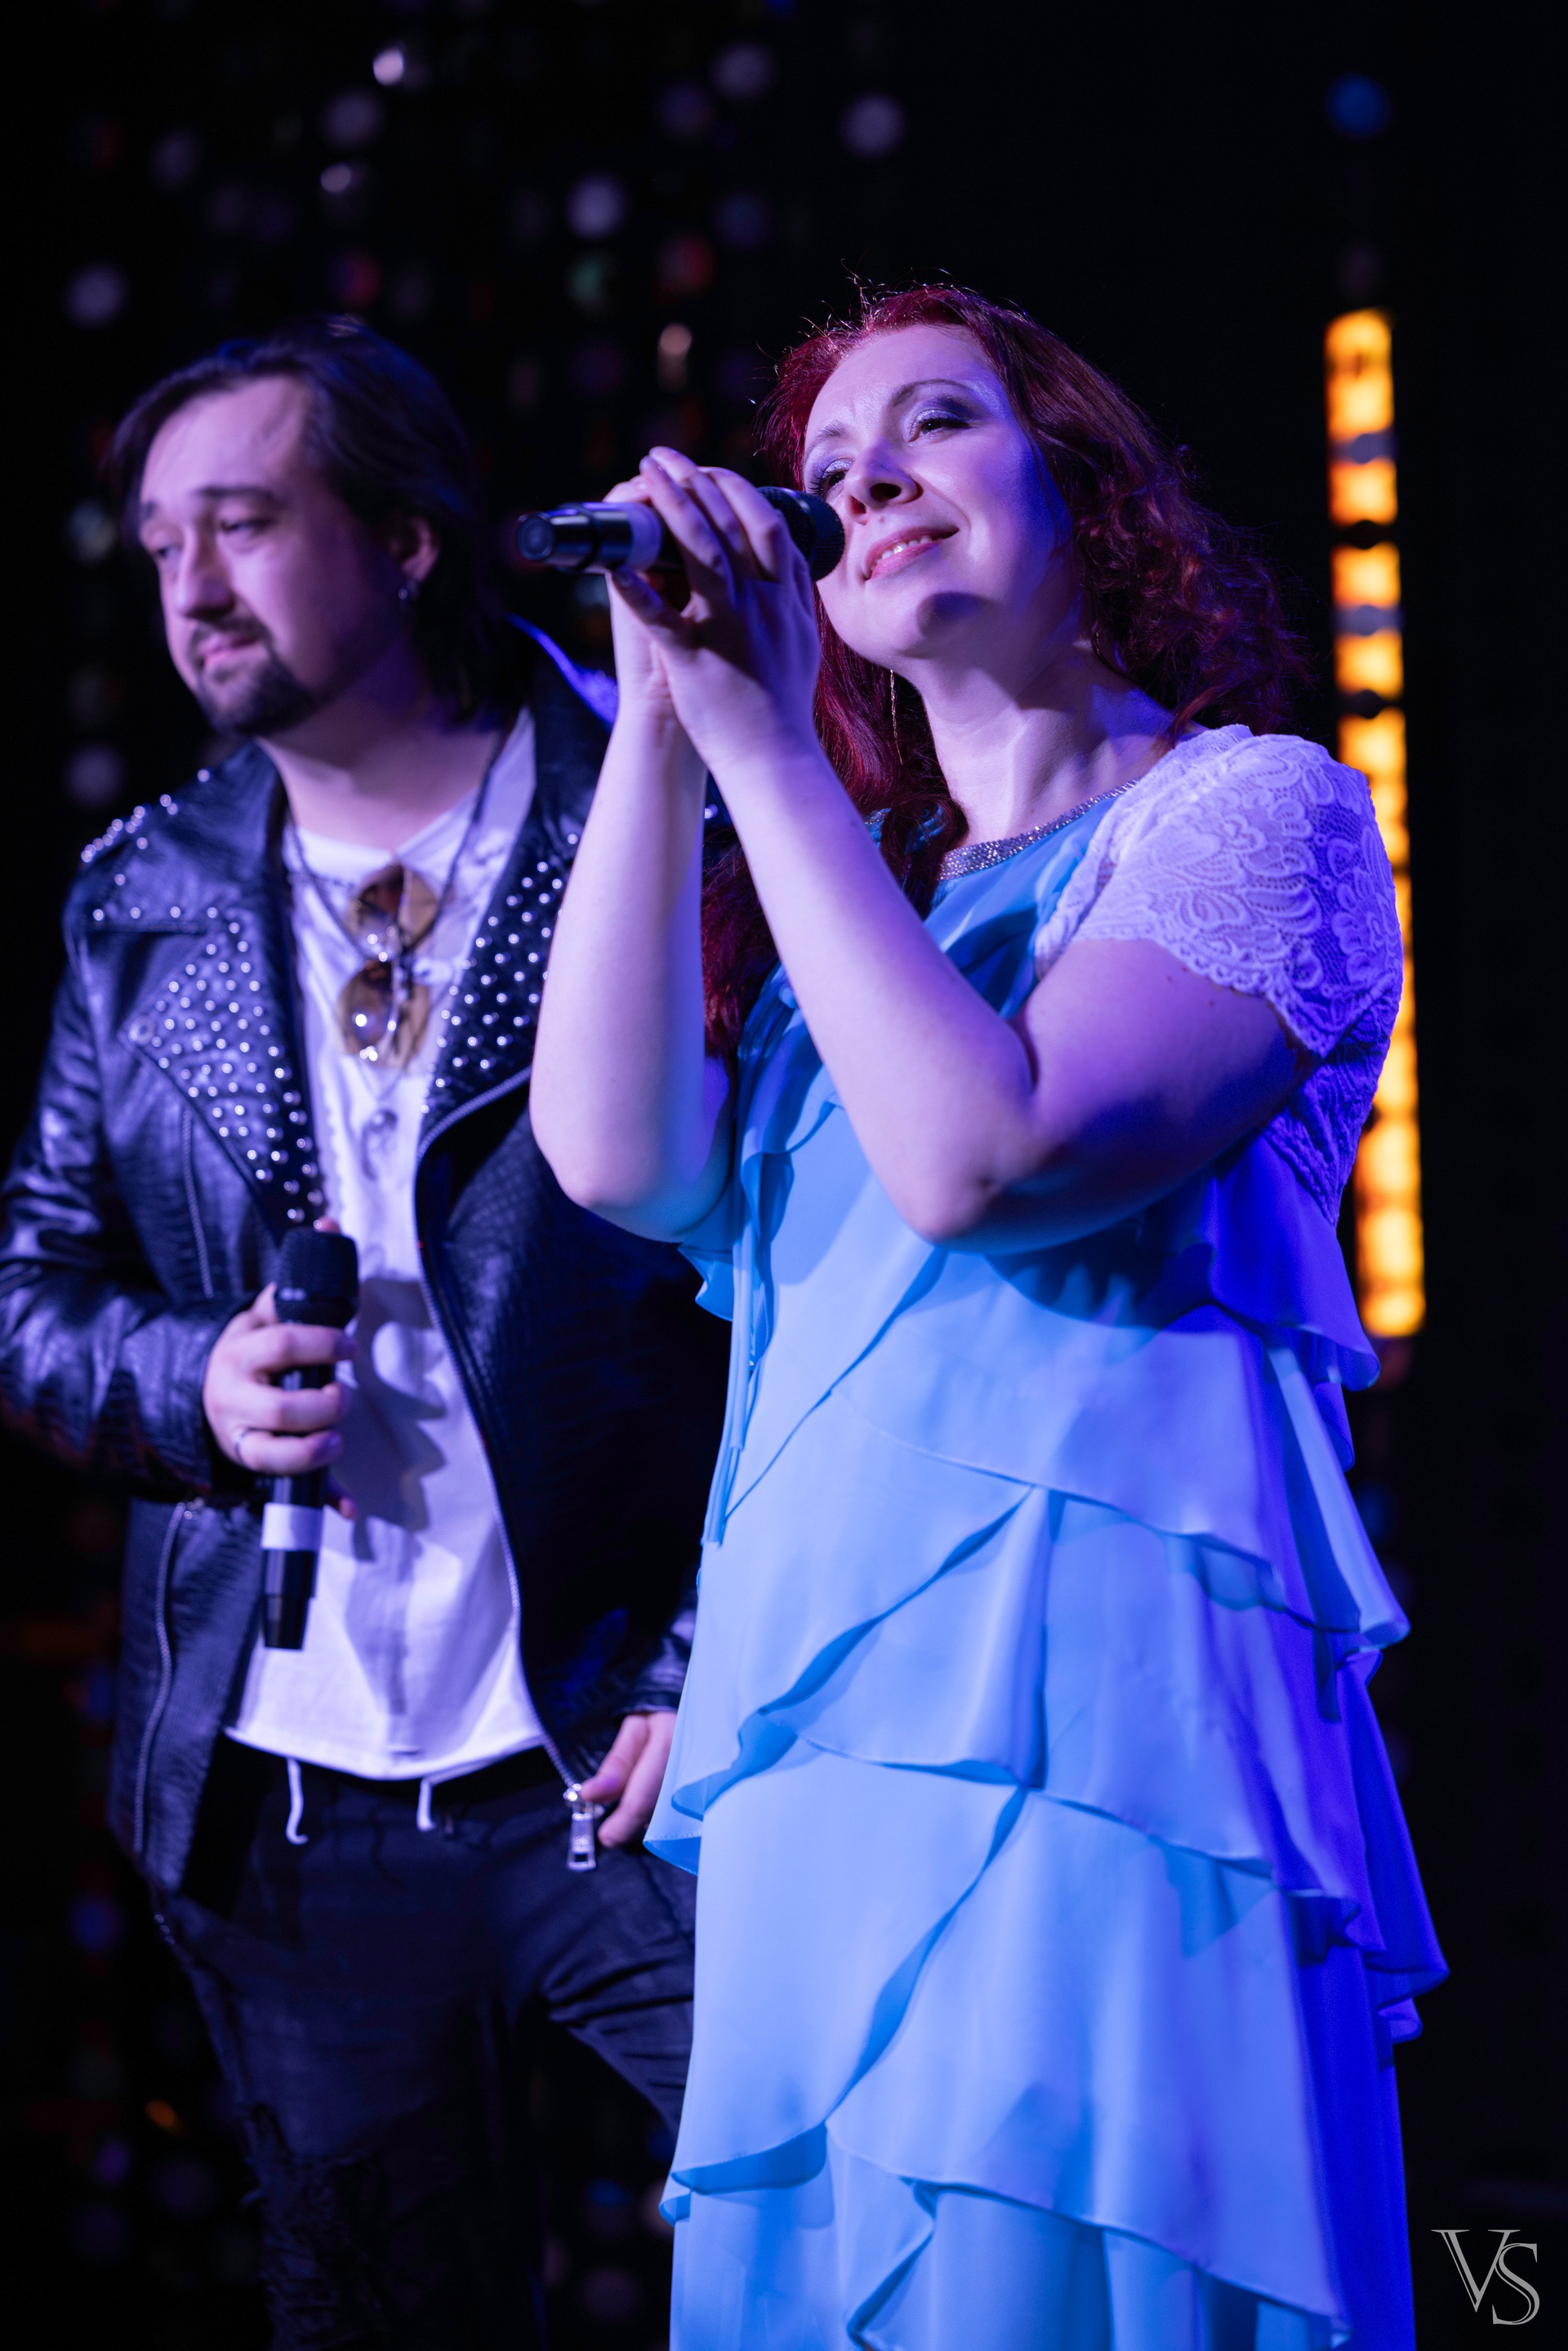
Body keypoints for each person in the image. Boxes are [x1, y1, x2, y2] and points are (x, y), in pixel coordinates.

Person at [528, 285, 1446, 2349]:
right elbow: (611, 1153)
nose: (865, 481)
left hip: (1104, 1742)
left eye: (933, 424)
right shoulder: (870, 906)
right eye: (826, 470)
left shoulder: (1253, 813)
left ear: (1081, 481)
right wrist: (664, 720)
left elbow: (985, 1159)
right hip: (832, 1751)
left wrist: (765, 746)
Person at [0, 318, 726, 2346]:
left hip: (638, 1747)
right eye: (162, 546)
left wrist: (722, 1642)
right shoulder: (141, 899)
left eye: (241, 524)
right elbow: (35, 1298)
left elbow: (806, 1283)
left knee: (844, 2265)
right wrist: (192, 1385)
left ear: (408, 542)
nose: (193, 589)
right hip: (297, 1803)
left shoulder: (655, 809)